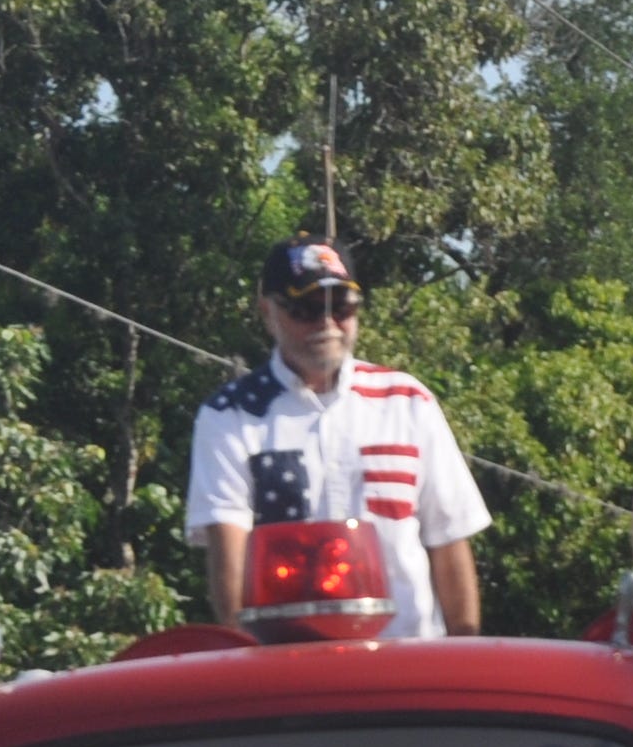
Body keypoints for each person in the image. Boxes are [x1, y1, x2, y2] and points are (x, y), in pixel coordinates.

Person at [187, 240, 491, 641]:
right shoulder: (231, 415)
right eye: (306, 309)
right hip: (289, 671)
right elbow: (230, 564)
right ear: (268, 312)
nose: (327, 323)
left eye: (342, 306)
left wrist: (463, 660)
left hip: (408, 663)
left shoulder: (406, 402)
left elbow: (449, 541)